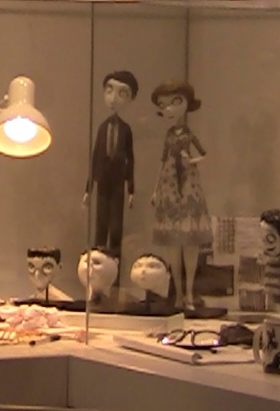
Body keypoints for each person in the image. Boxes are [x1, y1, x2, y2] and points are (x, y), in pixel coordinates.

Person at [150, 81, 212, 313]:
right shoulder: (169, 135)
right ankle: (178, 293)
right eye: (164, 105)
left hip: (187, 182)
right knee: (173, 244)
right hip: (169, 184)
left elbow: (203, 154)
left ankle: (189, 293)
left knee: (190, 242)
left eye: (175, 102)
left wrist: (191, 160)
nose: (169, 109)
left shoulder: (188, 134)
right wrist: (156, 189)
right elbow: (162, 160)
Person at [84, 71, 139, 266]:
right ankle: (97, 264)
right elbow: (95, 156)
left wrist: (131, 188)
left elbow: (130, 159)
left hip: (117, 182)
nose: (113, 99)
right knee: (101, 222)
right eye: (109, 91)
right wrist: (88, 189)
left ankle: (114, 263)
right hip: (102, 179)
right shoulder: (102, 127)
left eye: (122, 93)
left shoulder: (126, 129)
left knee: (116, 225)